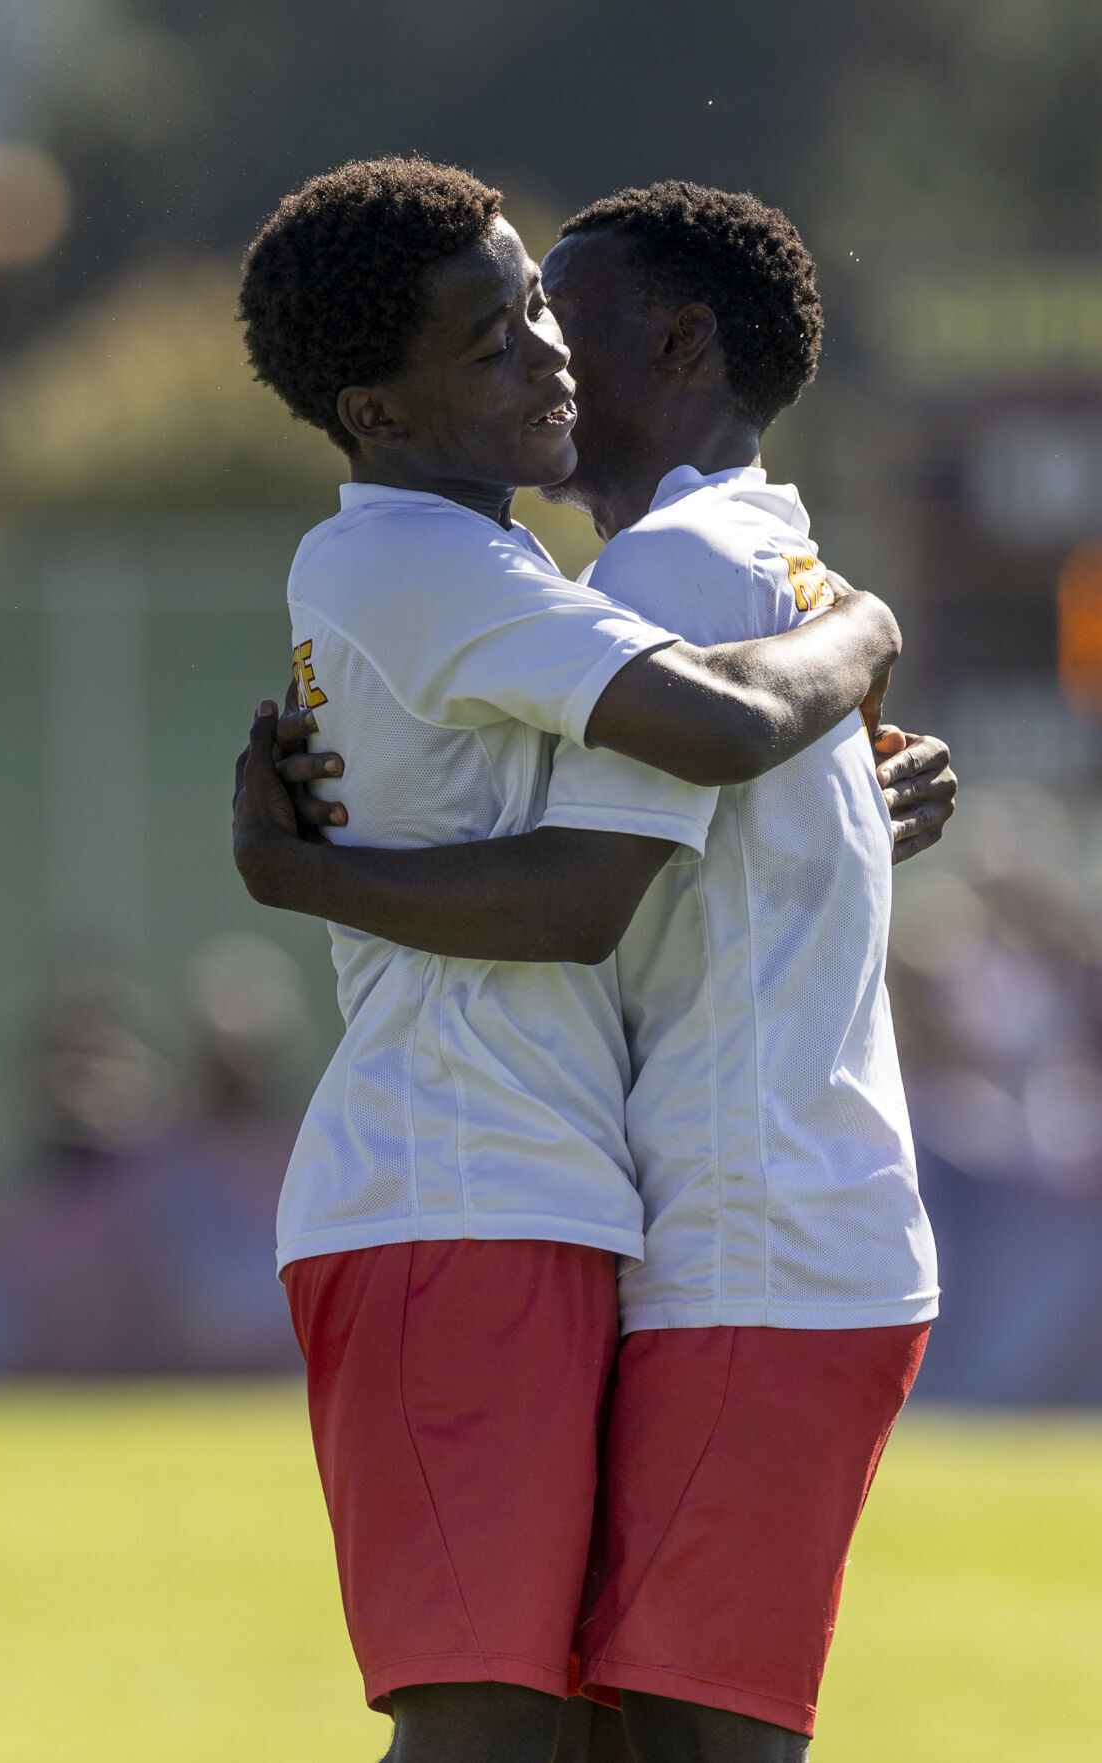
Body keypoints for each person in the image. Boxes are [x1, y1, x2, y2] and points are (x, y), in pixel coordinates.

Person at [235, 175, 955, 1763]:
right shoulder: (554, 574)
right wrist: (867, 639)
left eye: (555, 312)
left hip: (615, 1215)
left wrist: (842, 796)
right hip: (476, 1191)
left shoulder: (621, 574)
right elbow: (682, 764)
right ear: (382, 403)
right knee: (524, 1737)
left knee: (584, 1740)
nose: (547, 353)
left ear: (682, 344)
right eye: (499, 334)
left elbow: (662, 832)